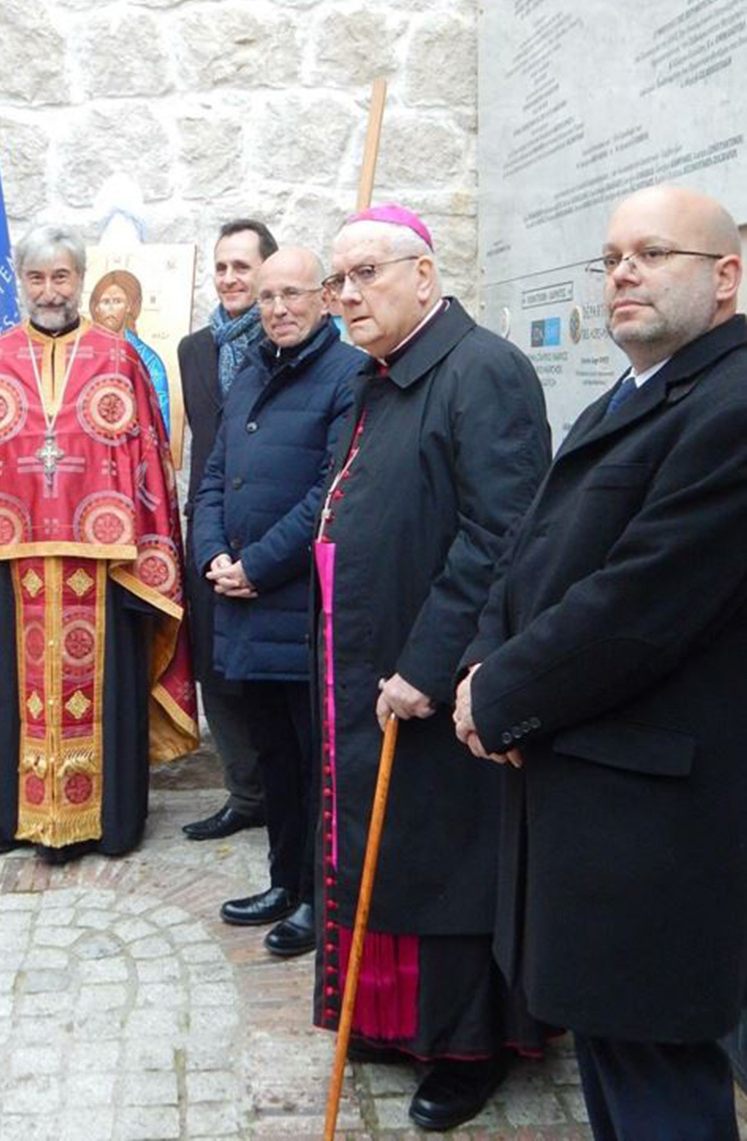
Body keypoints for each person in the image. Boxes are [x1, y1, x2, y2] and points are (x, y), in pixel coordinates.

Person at [454, 184, 747, 1141]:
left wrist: (497, 695)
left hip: (655, 822)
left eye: (653, 253)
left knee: (661, 1079)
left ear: (726, 278)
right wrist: (483, 660)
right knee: (616, 1061)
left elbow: (638, 605)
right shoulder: (631, 396)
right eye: (613, 256)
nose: (623, 271)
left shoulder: (731, 406)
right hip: (591, 796)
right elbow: (529, 554)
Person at [314, 205, 551, 1130]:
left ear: (424, 273)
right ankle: (393, 1022)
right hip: (369, 663)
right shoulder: (382, 378)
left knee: (446, 858)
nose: (347, 295)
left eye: (365, 273)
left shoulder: (483, 369)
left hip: (435, 677)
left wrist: (424, 662)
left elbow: (502, 534)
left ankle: (465, 1045)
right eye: (339, 280)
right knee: (392, 851)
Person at [0, 224, 197, 864]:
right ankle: (15, 817)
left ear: (81, 280)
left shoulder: (117, 357)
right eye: (38, 277)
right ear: (22, 283)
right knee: (10, 693)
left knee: (107, 689)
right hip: (11, 573)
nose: (50, 290)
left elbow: (149, 466)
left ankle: (109, 822)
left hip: (105, 574)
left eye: (62, 276)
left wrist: (151, 561)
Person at [193, 245, 367, 956]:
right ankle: (283, 881)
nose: (278, 308)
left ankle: (318, 902)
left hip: (300, 608)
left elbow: (331, 494)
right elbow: (214, 475)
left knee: (313, 764)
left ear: (325, 297)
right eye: (267, 298)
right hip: (243, 605)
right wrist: (211, 554)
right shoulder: (253, 372)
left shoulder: (348, 375)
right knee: (275, 760)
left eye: (293, 293)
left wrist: (256, 566)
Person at [178, 219, 278, 841]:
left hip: (271, 537)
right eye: (221, 267)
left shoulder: (289, 343)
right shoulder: (195, 349)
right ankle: (245, 794)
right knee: (216, 670)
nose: (230, 278)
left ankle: (287, 793)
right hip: (209, 530)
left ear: (267, 271)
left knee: (267, 673)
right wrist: (205, 541)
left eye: (242, 266)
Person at [89, 269, 171, 436]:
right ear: (96, 307)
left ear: (129, 307)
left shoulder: (148, 360)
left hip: (133, 451)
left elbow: (160, 424)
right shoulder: (83, 355)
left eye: (117, 301)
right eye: (105, 301)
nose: (110, 308)